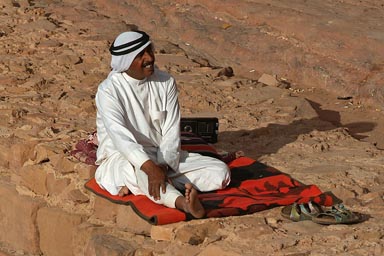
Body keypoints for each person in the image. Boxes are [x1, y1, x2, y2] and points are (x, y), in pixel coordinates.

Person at [94, 30, 231, 218]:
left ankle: (162, 185)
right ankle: (183, 203)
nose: (149, 57)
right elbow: (121, 138)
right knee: (139, 173)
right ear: (125, 61)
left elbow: (171, 131)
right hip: (123, 156)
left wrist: (163, 167)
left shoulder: (165, 82)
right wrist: (150, 168)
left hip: (162, 155)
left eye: (149, 50)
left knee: (220, 172)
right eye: (140, 55)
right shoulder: (109, 91)